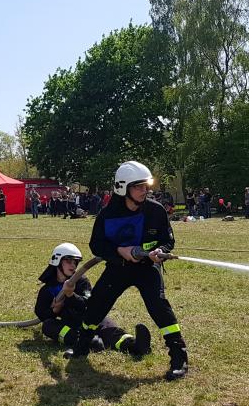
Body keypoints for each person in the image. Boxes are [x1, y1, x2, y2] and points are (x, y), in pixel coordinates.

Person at [69, 161, 189, 380]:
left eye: (146, 186)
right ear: (123, 187)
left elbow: (167, 239)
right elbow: (97, 245)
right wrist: (118, 251)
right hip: (118, 268)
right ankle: (82, 346)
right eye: (139, 187)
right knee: (96, 305)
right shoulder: (107, 215)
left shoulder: (156, 211)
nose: (145, 191)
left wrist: (160, 250)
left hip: (147, 268)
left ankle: (179, 358)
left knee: (159, 307)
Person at [35, 243, 150, 358]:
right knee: (47, 326)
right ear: (57, 261)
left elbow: (88, 305)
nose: (73, 265)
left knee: (108, 329)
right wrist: (54, 311)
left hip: (90, 319)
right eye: (69, 261)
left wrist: (70, 295)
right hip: (70, 325)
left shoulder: (80, 281)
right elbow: (40, 314)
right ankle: (87, 343)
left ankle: (135, 346)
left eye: (75, 262)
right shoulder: (48, 289)